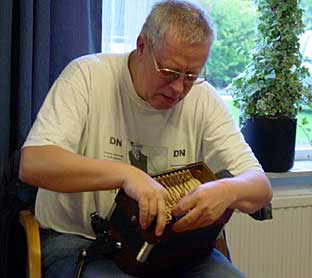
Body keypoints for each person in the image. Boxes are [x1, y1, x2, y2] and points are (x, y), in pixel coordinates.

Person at [19, 0, 272, 277]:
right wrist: (127, 175)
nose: (178, 88)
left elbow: (260, 188)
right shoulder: (87, 76)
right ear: (142, 45)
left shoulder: (203, 99)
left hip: (170, 249)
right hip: (80, 241)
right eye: (169, 72)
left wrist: (227, 191)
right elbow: (33, 164)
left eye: (190, 76)